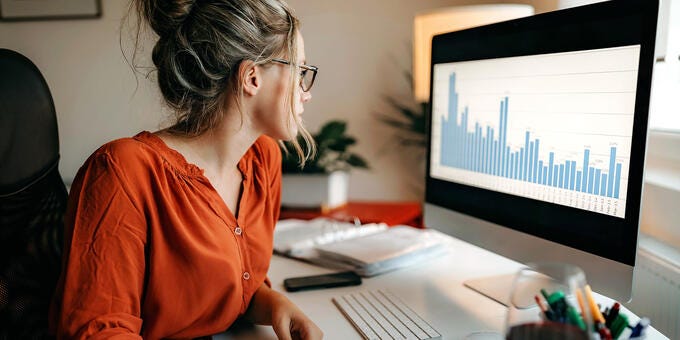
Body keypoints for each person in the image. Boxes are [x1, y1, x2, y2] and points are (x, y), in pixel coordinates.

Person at [49, 0, 323, 338]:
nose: (306, 94)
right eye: (301, 73)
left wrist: (274, 304)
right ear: (252, 77)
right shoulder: (123, 171)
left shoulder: (263, 160)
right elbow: (96, 330)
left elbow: (235, 287)